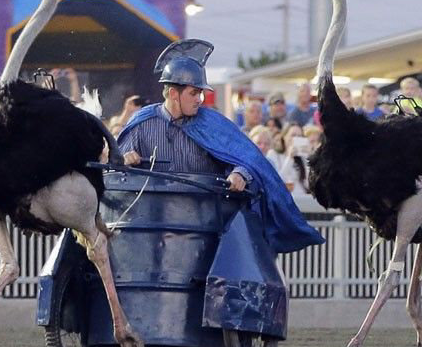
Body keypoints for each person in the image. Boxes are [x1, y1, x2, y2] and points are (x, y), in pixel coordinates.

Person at [117, 39, 322, 253]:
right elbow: (114, 171)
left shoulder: (212, 123)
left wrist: (240, 174)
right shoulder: (141, 123)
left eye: (200, 93)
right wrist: (124, 160)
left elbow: (246, 160)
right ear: (172, 93)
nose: (199, 99)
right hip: (153, 233)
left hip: (204, 233)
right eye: (193, 93)